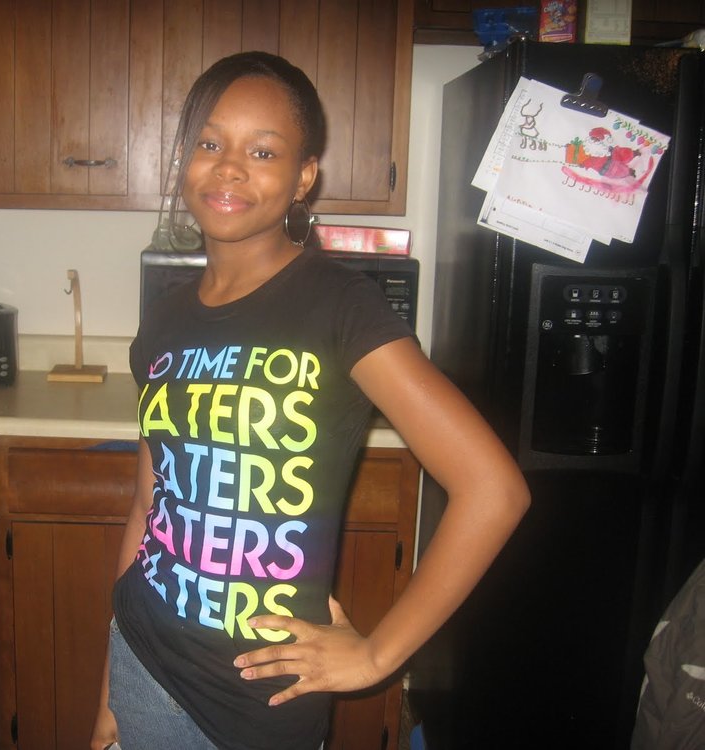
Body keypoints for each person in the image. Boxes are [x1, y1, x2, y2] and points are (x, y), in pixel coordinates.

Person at [91, 51, 530, 750]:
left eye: (263, 151)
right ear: (183, 161)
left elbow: (494, 490)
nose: (229, 168)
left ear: (303, 177)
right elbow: (151, 502)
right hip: (141, 662)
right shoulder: (164, 322)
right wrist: (110, 693)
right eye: (210, 143)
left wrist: (378, 656)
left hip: (257, 707)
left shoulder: (340, 306)